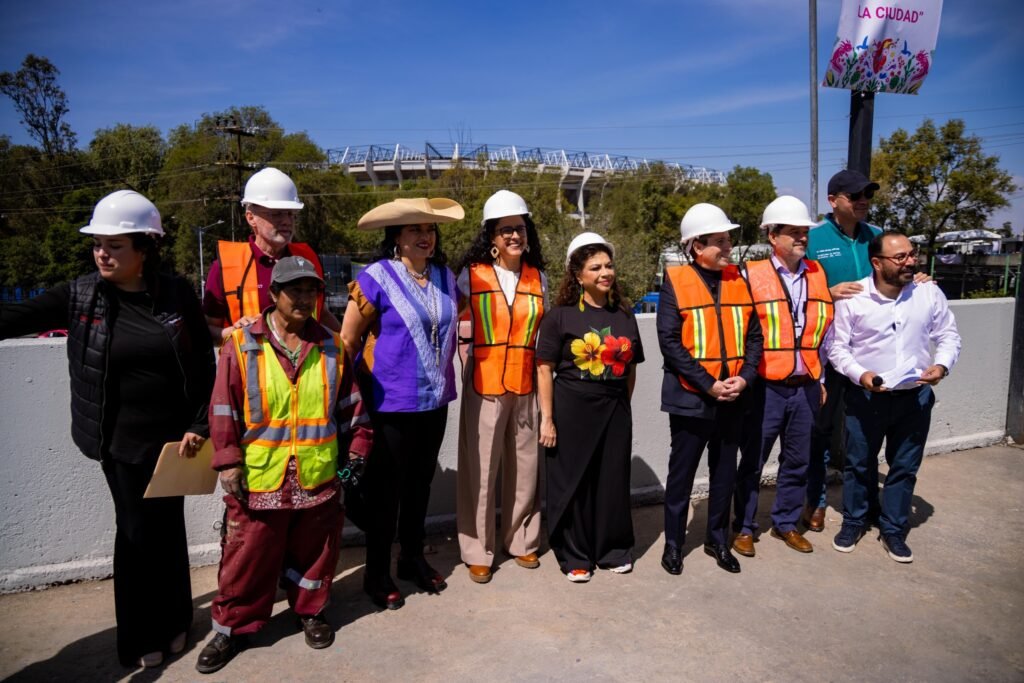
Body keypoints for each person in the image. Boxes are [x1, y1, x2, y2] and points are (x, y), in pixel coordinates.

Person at [0, 190, 215, 669]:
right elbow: (16, 316)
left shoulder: (175, 293)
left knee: (167, 532)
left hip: (175, 444)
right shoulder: (80, 295)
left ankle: (178, 620)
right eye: (98, 244)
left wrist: (199, 423)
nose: (103, 253)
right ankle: (140, 636)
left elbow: (202, 359)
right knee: (135, 536)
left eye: (115, 245)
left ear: (144, 249)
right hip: (117, 444)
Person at [195, 256, 372, 674]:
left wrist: (352, 465)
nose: (305, 298)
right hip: (258, 479)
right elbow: (223, 408)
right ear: (273, 295)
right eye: (295, 290)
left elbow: (355, 415)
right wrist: (228, 463)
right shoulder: (241, 345)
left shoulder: (332, 347)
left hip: (319, 478)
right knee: (247, 557)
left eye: (311, 290)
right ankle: (232, 628)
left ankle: (310, 610)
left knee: (315, 554)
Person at [341, 197, 463, 609]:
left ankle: (411, 557)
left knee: (419, 484)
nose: (425, 236)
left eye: (429, 229)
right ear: (396, 236)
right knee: (385, 491)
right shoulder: (376, 277)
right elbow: (348, 341)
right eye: (415, 229)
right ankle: (377, 572)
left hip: (435, 400)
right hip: (388, 402)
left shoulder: (447, 277)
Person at [827, 231, 960, 563]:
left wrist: (941, 365)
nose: (910, 262)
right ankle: (855, 521)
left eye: (912, 254)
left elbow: (948, 335)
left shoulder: (928, 293)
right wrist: (862, 375)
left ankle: (894, 529)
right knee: (859, 464)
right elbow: (837, 348)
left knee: (904, 466)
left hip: (914, 399)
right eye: (900, 257)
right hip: (866, 397)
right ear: (876, 262)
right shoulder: (854, 299)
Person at [658, 203, 763, 575]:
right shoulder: (675, 280)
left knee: (724, 474)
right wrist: (708, 385)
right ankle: (673, 545)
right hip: (690, 399)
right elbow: (670, 342)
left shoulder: (740, 279)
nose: (728, 247)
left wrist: (745, 378)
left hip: (733, 397)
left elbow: (754, 337)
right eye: (719, 241)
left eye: (728, 239)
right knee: (681, 475)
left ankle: (717, 540)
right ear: (696, 246)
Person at [536, 232, 644, 583]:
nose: (605, 272)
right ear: (577, 275)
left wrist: (621, 408)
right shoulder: (559, 317)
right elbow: (544, 369)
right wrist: (547, 419)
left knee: (611, 482)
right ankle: (575, 554)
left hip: (614, 410)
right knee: (574, 483)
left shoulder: (625, 315)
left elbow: (631, 370)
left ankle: (612, 551)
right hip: (571, 409)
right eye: (595, 267)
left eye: (608, 265)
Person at [732, 196, 834, 558]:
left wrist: (820, 379)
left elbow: (825, 331)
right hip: (764, 387)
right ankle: (744, 527)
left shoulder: (818, 274)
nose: (801, 238)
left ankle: (786, 523)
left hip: (805, 384)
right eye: (793, 232)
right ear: (773, 236)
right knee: (753, 460)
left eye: (804, 232)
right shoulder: (749, 274)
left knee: (798, 460)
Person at [455, 190, 548, 584]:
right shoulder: (469, 275)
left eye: (520, 229)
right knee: (480, 471)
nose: (514, 236)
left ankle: (522, 540)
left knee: (526, 468)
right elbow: (456, 328)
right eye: (505, 229)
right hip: (485, 385)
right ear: (490, 236)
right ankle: (478, 549)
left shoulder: (537, 276)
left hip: (526, 384)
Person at [203, 167, 340, 343]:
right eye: (276, 214)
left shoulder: (307, 260)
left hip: (306, 366)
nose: (286, 221)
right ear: (251, 217)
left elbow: (322, 313)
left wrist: (348, 345)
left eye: (291, 214)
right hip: (252, 367)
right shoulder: (225, 267)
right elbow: (207, 329)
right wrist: (235, 332)